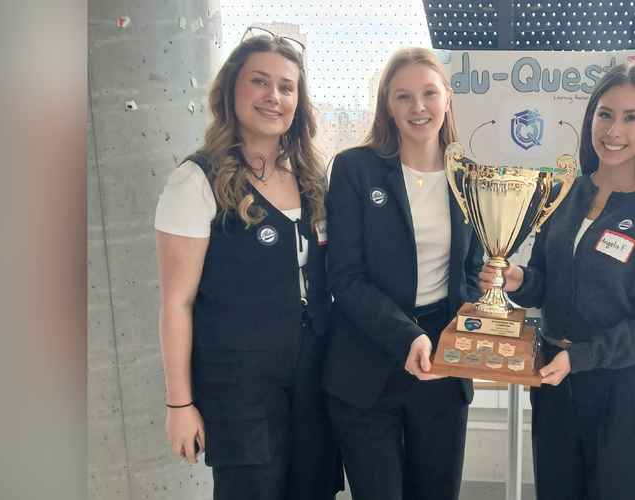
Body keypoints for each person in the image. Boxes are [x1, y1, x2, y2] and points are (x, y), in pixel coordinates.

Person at [481, 62, 635, 500]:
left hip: (621, 392)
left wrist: (583, 358)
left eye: (632, 117)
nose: (614, 129)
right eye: (605, 113)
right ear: (590, 117)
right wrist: (519, 280)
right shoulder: (563, 194)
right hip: (554, 384)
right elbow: (546, 282)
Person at [154, 28, 342, 500]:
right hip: (237, 383)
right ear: (231, 89)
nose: (273, 96)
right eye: (260, 82)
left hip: (313, 375)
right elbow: (176, 302)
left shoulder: (311, 176)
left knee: (314, 488)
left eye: (286, 86)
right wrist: (180, 403)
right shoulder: (196, 181)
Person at [322, 47, 484, 500]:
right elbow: (346, 279)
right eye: (403, 96)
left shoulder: (467, 177)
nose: (418, 107)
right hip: (366, 360)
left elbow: (471, 273)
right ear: (386, 105)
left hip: (443, 362)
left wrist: (466, 333)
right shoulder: (354, 169)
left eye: (429, 93)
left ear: (447, 98)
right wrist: (405, 336)